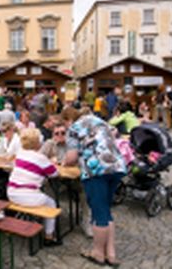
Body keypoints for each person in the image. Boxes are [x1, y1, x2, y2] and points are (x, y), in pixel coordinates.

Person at [63, 107, 126, 267]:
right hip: (116, 166)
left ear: (67, 120)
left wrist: (65, 161)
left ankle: (98, 253)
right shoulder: (100, 121)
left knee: (99, 213)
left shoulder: (73, 128)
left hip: (96, 170)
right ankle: (110, 254)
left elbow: (71, 157)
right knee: (105, 210)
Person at [7, 128, 59, 244]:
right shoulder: (41, 158)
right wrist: (52, 162)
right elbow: (54, 174)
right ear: (37, 143)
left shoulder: (20, 155)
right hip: (28, 196)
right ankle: (49, 235)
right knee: (51, 203)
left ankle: (33, 223)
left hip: (11, 193)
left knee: (39, 196)